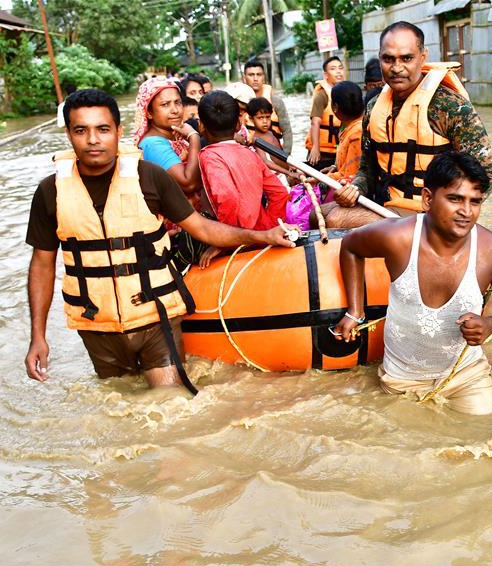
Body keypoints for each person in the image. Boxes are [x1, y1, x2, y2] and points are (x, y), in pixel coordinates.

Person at [24, 89, 293, 391]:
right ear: (68, 134)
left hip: (156, 318)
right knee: (118, 403)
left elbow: (203, 229)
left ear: (118, 131)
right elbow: (42, 265)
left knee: (171, 405)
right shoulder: (51, 192)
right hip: (97, 326)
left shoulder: (150, 177)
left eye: (102, 129)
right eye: (81, 130)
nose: (93, 139)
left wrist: (262, 236)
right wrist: (38, 335)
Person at [332, 151, 492, 415]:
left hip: (467, 376)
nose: (466, 211)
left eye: (475, 201)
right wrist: (354, 312)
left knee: (481, 432)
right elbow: (351, 246)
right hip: (401, 378)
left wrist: (491, 324)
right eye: (455, 199)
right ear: (427, 199)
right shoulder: (397, 238)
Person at [333, 21, 492, 228]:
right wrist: (355, 189)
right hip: (386, 205)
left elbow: (488, 174)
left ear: (423, 57)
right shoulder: (373, 107)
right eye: (388, 59)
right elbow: (366, 170)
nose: (396, 68)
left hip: (430, 215)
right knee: (319, 214)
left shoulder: (449, 106)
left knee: (335, 219)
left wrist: (448, 216)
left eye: (406, 58)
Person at [196, 91, 289, 267]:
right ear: (239, 124)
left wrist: (226, 241)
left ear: (201, 126)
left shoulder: (209, 156)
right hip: (263, 235)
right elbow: (280, 193)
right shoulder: (249, 153)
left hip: (237, 242)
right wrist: (267, 229)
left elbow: (227, 199)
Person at [133, 76, 201, 200]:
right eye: (165, 104)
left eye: (178, 102)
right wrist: (194, 137)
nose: (175, 110)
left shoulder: (176, 136)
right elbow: (189, 183)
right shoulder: (153, 145)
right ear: (149, 113)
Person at [242, 60, 293, 155]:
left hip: (275, 152)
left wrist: (286, 156)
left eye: (259, 74)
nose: (255, 79)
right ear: (244, 77)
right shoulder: (240, 103)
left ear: (264, 77)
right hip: (250, 154)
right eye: (251, 75)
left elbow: (287, 130)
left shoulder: (276, 102)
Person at [306, 55, 346, 170]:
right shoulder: (322, 94)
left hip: (339, 148)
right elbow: (315, 122)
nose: (338, 71)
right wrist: (315, 147)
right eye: (333, 69)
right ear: (326, 75)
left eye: (340, 68)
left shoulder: (346, 91)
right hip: (323, 150)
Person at [247, 96, 299, 183]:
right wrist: (288, 173)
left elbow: (281, 155)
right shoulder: (256, 140)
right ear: (251, 119)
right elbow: (266, 162)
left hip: (285, 174)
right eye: (260, 118)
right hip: (275, 178)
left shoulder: (271, 133)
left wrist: (290, 167)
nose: (265, 121)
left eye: (267, 117)